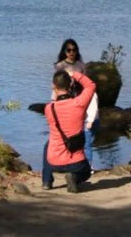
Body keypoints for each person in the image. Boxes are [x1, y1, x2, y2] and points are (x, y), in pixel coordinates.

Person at [42, 63, 96, 192]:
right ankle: (74, 178)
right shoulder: (79, 104)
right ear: (70, 85)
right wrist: (74, 74)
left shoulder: (49, 109)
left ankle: (47, 181)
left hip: (53, 161)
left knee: (48, 145)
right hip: (76, 162)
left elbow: (56, 101)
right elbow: (91, 85)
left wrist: (56, 92)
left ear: (53, 86)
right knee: (87, 172)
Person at [54, 39, 99, 168]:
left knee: (83, 134)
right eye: (68, 50)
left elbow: (87, 83)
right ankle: (69, 161)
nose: (71, 52)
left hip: (79, 98)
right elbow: (57, 84)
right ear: (64, 51)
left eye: (74, 50)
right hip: (66, 99)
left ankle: (83, 163)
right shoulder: (60, 66)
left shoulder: (81, 65)